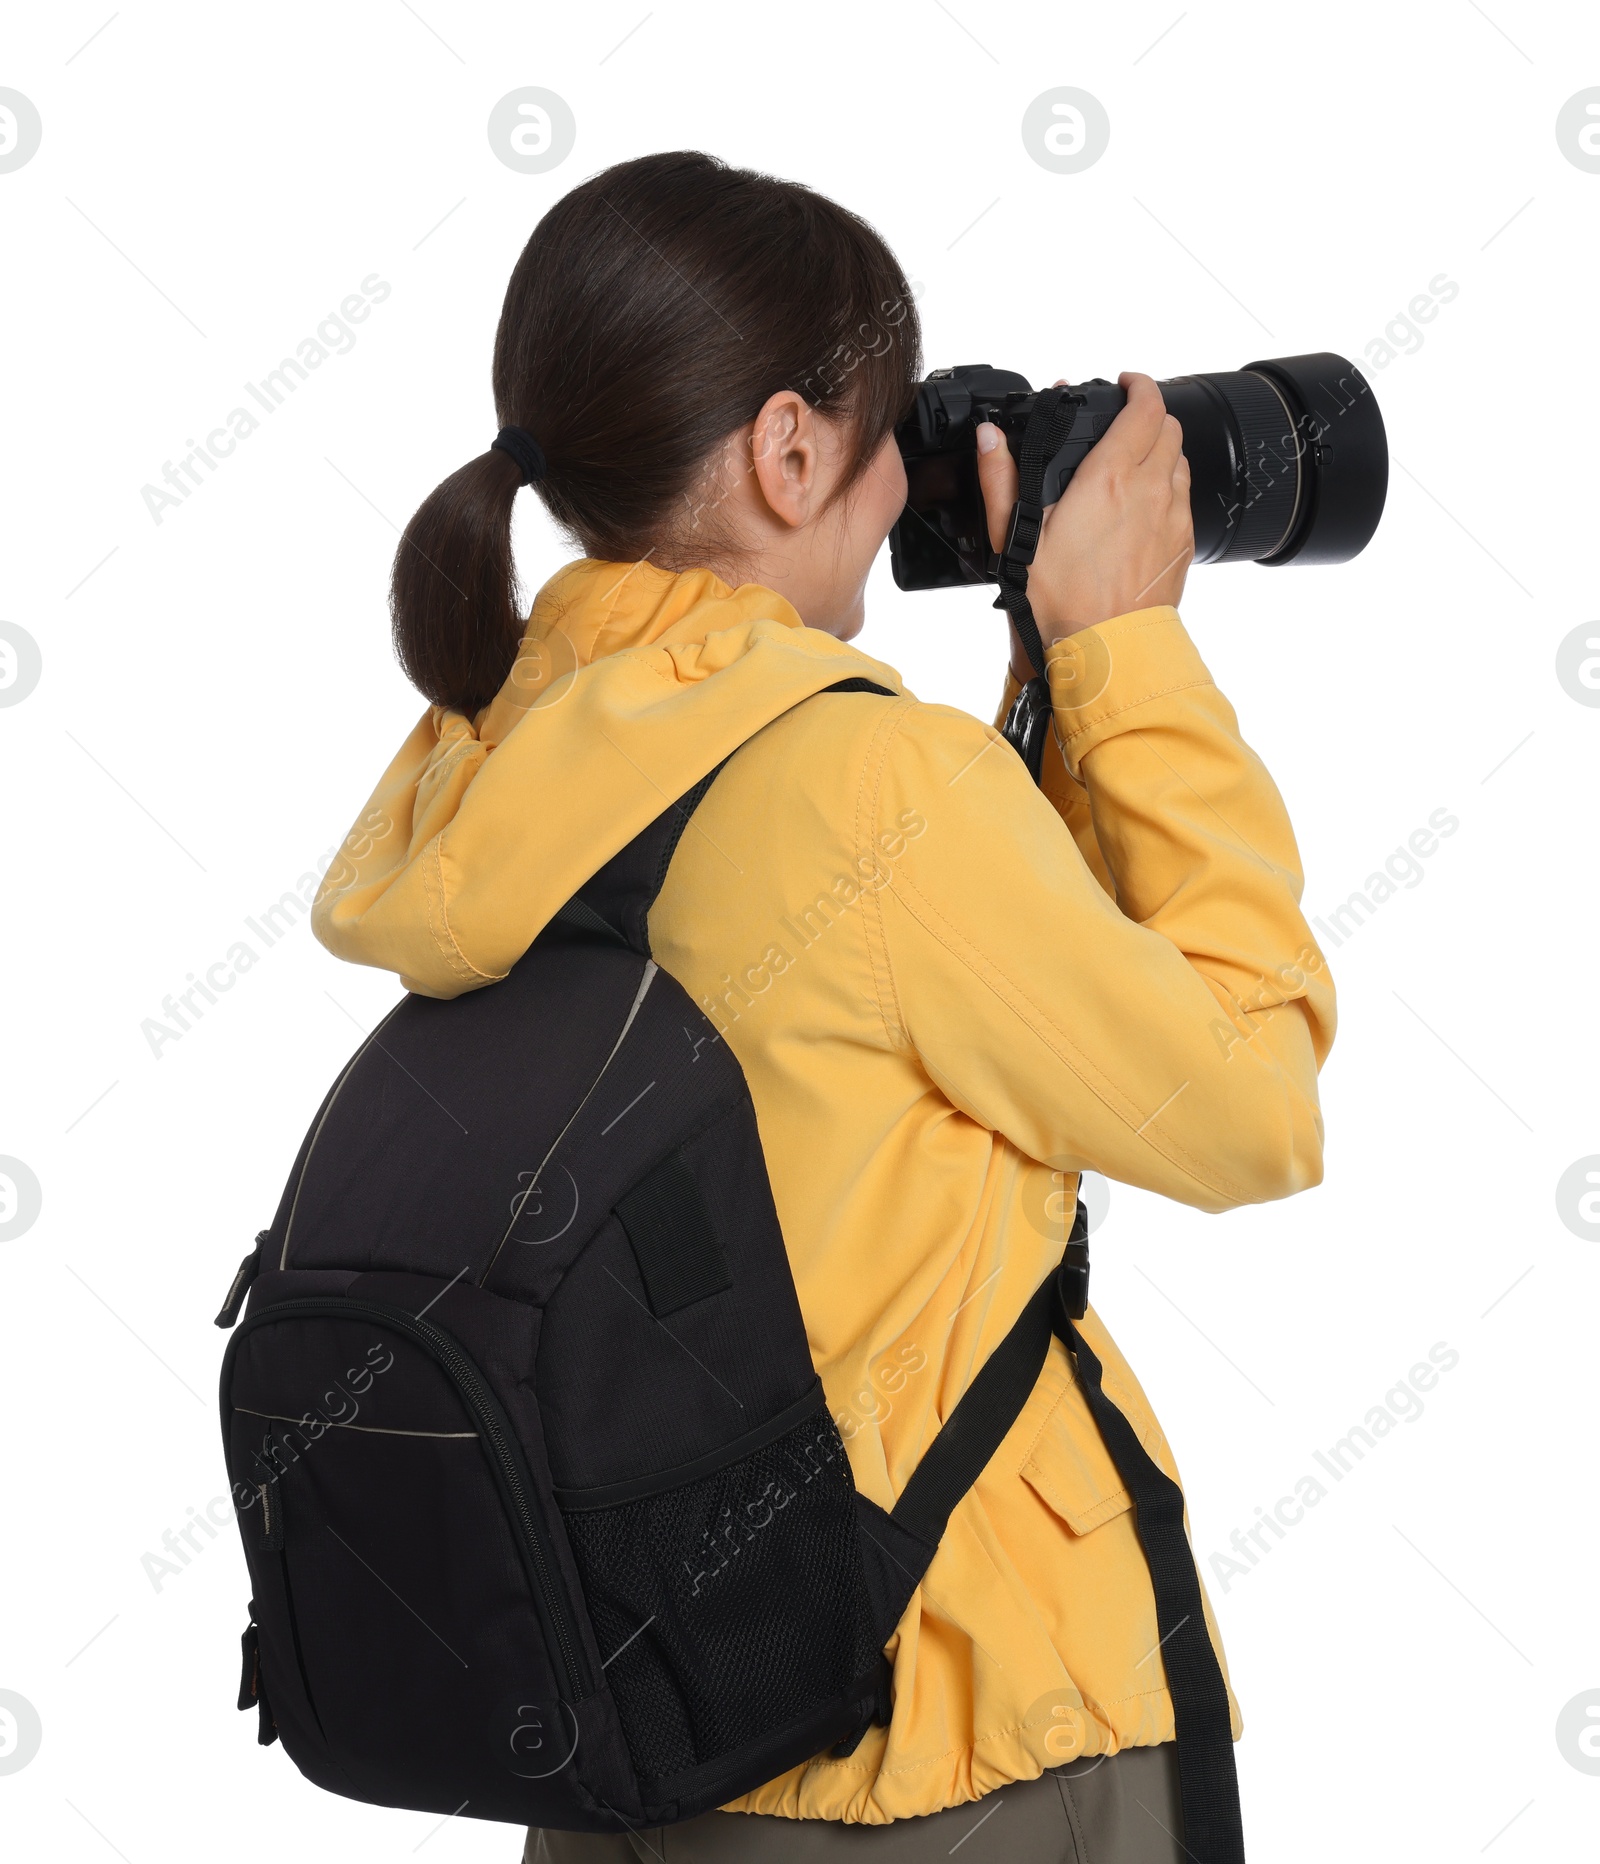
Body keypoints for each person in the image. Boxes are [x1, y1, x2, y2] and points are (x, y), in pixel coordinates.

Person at [313, 150, 1334, 1862]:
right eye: (883, 435)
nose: (898, 485)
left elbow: (954, 1040)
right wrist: (1125, 652)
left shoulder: (495, 771)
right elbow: (1250, 1108)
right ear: (787, 451)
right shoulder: (867, 787)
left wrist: (1031, 692)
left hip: (637, 1740)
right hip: (951, 1746)